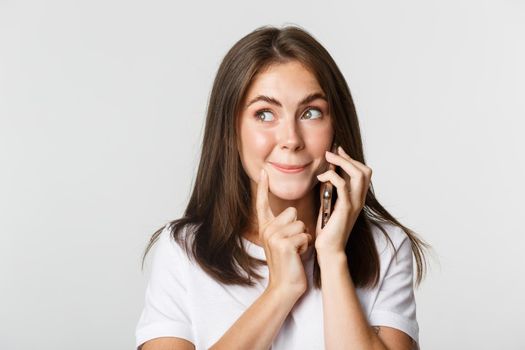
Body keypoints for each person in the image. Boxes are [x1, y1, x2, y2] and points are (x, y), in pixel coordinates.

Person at [135, 24, 429, 350]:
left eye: (311, 112)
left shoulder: (384, 248)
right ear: (231, 130)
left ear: (336, 127)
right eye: (264, 114)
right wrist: (281, 291)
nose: (291, 139)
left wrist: (331, 258)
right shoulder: (183, 251)